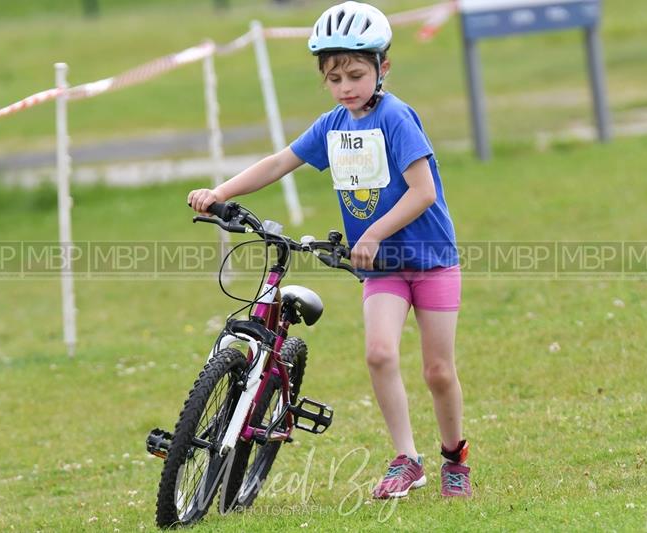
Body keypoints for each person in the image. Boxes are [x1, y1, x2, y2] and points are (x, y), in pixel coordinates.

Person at [188, 1, 471, 499]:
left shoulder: (396, 118)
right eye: (335, 77)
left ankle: (455, 457)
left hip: (430, 260)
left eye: (357, 74)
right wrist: (222, 192)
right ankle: (408, 459)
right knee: (380, 355)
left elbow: (423, 191)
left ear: (383, 67)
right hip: (381, 266)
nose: (346, 87)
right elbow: (279, 162)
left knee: (438, 371)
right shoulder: (333, 125)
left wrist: (375, 231)